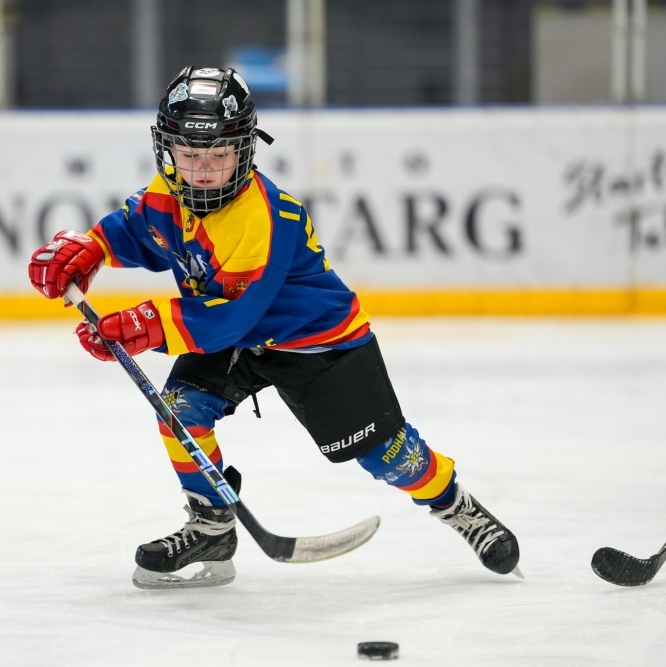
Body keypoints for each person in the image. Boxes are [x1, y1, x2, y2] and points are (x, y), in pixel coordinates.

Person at [28, 65, 521, 589]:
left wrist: (141, 324)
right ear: (167, 149)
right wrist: (91, 249)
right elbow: (138, 230)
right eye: (190, 155)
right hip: (230, 332)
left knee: (387, 454)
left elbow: (231, 317)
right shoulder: (167, 193)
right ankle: (212, 527)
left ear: (244, 149)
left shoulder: (259, 218)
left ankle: (454, 503)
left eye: (218, 155)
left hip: (314, 341)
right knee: (180, 411)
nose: (202, 171)